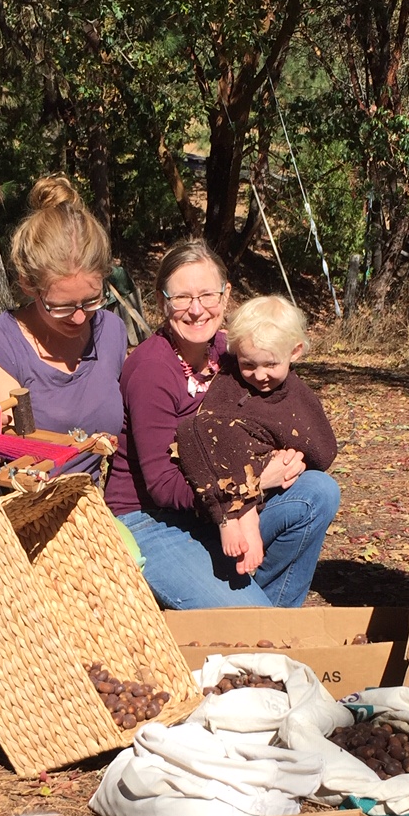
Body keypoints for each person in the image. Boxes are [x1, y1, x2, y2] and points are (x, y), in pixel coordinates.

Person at [105, 240, 340, 608]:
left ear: (226, 296)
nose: (196, 310)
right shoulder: (152, 369)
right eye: (181, 298)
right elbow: (163, 485)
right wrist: (255, 481)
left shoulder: (233, 353)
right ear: (162, 301)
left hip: (222, 509)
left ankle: (269, 616)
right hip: (154, 519)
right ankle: (254, 617)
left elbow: (271, 412)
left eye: (208, 295)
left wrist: (288, 456)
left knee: (318, 491)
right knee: (251, 621)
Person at [0, 175, 125, 476]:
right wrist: (86, 446)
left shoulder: (111, 330)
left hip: (101, 508)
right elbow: (14, 462)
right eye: (60, 306)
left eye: (91, 301)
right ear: (28, 284)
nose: (79, 317)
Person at [177, 296, 338, 577]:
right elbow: (207, 428)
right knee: (195, 430)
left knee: (321, 488)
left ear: (295, 352)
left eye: (270, 364)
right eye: (248, 364)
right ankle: (233, 516)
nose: (259, 375)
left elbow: (322, 449)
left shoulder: (298, 398)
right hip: (219, 495)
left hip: (271, 494)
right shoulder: (230, 383)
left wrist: (293, 457)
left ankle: (246, 517)